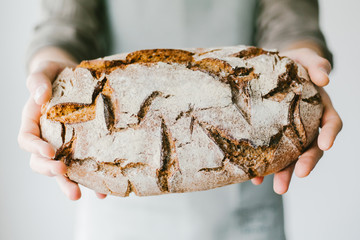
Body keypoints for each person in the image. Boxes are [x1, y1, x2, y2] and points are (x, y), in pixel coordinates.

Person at [19, 0, 342, 239]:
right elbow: (64, 26)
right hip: (118, 185)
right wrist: (49, 69)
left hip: (246, 200)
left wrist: (302, 57)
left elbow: (289, 21)